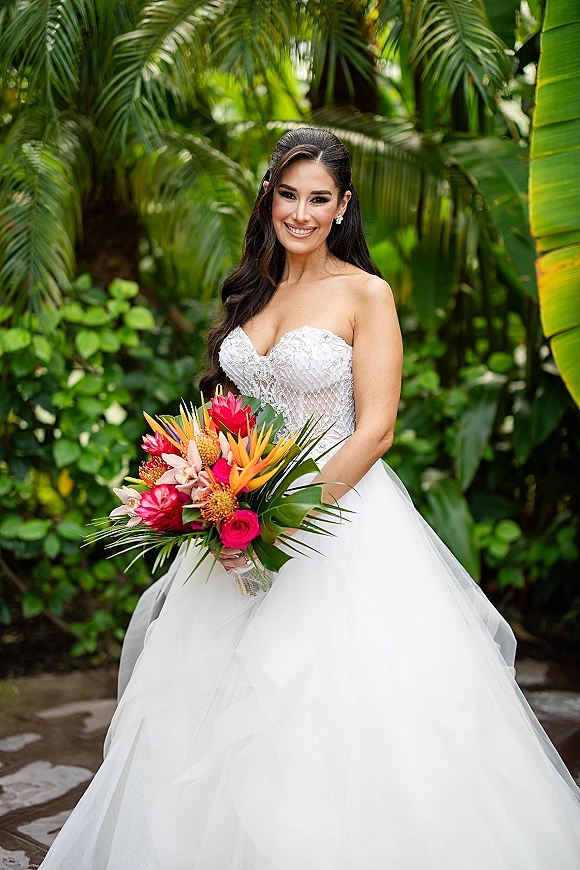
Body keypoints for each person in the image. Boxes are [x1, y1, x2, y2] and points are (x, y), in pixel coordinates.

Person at [40, 128, 580, 869]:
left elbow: (378, 427)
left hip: (335, 518)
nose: (300, 211)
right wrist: (207, 485)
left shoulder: (365, 292)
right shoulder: (254, 290)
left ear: (342, 206)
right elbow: (232, 412)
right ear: (269, 196)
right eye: (288, 194)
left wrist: (280, 524)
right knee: (214, 714)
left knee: (334, 709)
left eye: (318, 198)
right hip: (238, 518)